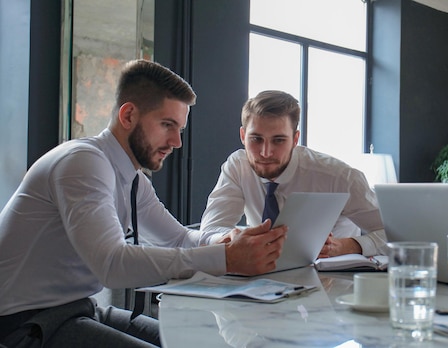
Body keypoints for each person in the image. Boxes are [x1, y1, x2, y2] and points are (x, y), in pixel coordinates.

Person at [0, 60, 287, 347]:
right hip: (24, 326)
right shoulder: (83, 162)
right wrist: (226, 258)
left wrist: (225, 239)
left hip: (77, 310)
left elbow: (179, 237)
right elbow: (111, 264)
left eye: (180, 130)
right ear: (128, 115)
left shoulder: (132, 178)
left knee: (202, 342)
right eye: (167, 125)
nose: (176, 142)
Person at [199, 90, 386, 258]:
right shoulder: (237, 167)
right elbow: (209, 231)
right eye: (256, 139)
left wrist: (347, 246)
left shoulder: (339, 178)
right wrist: (228, 238)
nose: (265, 152)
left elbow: (397, 236)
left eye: (278, 140)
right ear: (242, 136)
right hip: (261, 280)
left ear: (295, 139)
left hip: (331, 281)